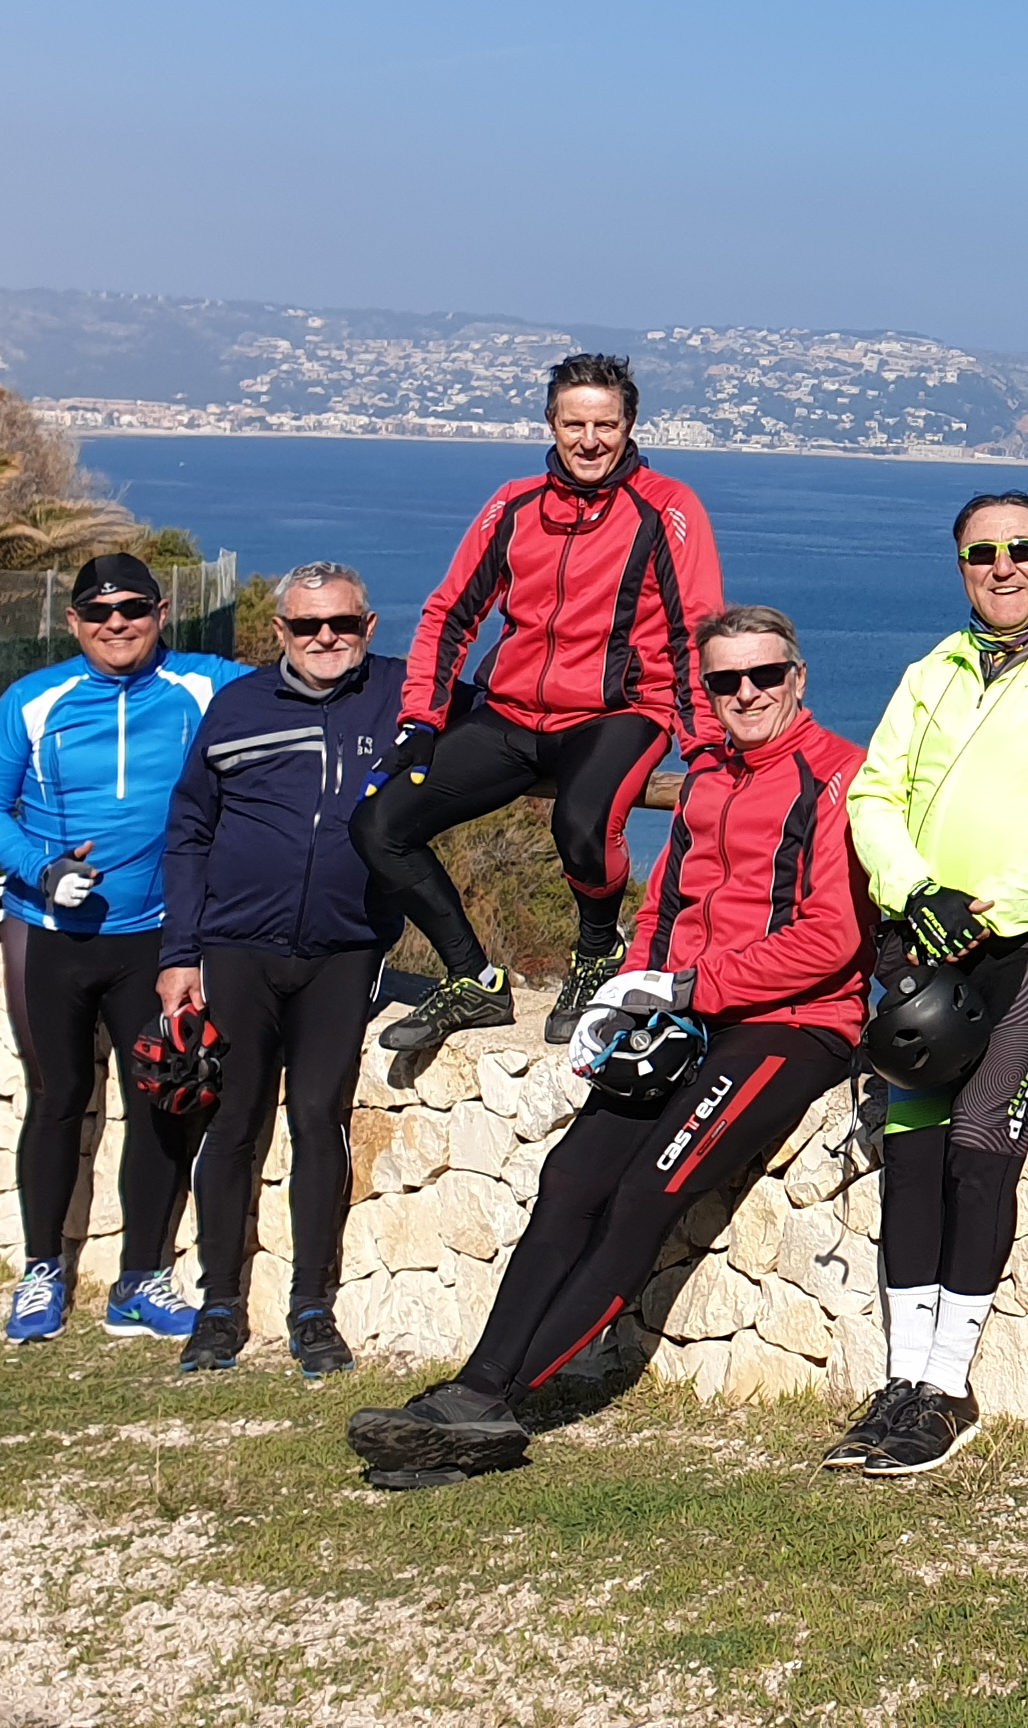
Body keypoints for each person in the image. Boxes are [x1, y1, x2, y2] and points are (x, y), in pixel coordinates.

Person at [346, 604, 871, 1487]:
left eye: (764, 676)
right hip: (680, 1013)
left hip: (792, 1025)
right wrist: (635, 990)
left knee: (641, 1196)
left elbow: (832, 938)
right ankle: (475, 1396)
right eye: (724, 681)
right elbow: (665, 902)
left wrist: (691, 989)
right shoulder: (706, 774)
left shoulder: (841, 778)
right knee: (569, 1180)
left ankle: (489, 1407)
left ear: (798, 678)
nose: (745, 694)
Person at [824, 492, 1028, 1476]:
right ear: (962, 566)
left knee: (978, 1136)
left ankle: (949, 1388)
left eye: (1022, 550)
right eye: (981, 555)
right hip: (924, 938)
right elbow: (873, 791)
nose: (1002, 568)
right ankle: (903, 1379)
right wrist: (916, 892)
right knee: (912, 1148)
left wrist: (988, 909)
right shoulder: (935, 669)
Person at [354, 352, 725, 1056]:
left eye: (605, 425)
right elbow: (451, 614)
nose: (590, 440)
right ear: (551, 424)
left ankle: (596, 953)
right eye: (574, 423)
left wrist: (705, 747)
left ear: (630, 425)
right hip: (513, 714)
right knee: (380, 826)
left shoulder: (667, 508)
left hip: (618, 712)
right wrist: (421, 717)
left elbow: (696, 632)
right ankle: (474, 978)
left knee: (581, 827)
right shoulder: (514, 504)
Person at [0, 552, 248, 1344]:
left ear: (161, 613)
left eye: (133, 609)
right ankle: (40, 1270)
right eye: (97, 613)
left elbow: (306, 679)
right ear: (73, 622)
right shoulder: (35, 700)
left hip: (157, 937)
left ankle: (139, 1278)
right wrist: (40, 869)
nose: (115, 624)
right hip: (51, 933)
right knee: (55, 1099)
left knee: (160, 1098)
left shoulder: (204, 685)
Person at [154, 561, 406, 1378]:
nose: (325, 638)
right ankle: (219, 1305)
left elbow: (518, 719)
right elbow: (190, 829)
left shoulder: (404, 695)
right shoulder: (237, 707)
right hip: (237, 948)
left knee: (318, 1123)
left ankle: (311, 1308)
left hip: (345, 949)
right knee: (232, 1126)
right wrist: (179, 953)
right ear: (280, 633)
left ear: (369, 626)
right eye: (306, 626)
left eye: (341, 624)